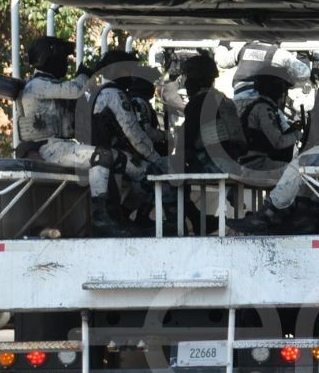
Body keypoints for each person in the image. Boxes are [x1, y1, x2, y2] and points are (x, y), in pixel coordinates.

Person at [233, 52, 319, 235]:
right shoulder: (264, 109)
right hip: (255, 164)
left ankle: (299, 218)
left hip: (257, 162)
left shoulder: (262, 107)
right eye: (283, 90)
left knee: (309, 175)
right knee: (301, 174)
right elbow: (278, 142)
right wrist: (297, 134)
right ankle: (278, 216)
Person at [15, 36, 124, 235]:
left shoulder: (51, 85)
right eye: (63, 58)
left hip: (61, 146)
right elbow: (74, 90)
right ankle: (100, 218)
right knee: (102, 157)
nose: (65, 63)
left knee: (118, 158)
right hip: (47, 148)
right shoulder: (37, 85)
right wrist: (83, 75)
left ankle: (116, 214)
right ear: (49, 58)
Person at [90, 50, 169, 235]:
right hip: (114, 157)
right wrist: (156, 159)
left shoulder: (99, 93)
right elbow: (135, 135)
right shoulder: (116, 95)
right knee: (156, 174)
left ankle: (122, 217)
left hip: (103, 155)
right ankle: (127, 218)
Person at [178, 52, 246, 174]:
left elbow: (185, 141)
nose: (185, 83)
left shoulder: (198, 102)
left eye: (187, 77)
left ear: (196, 79)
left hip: (210, 165)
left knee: (157, 168)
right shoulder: (224, 100)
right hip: (233, 164)